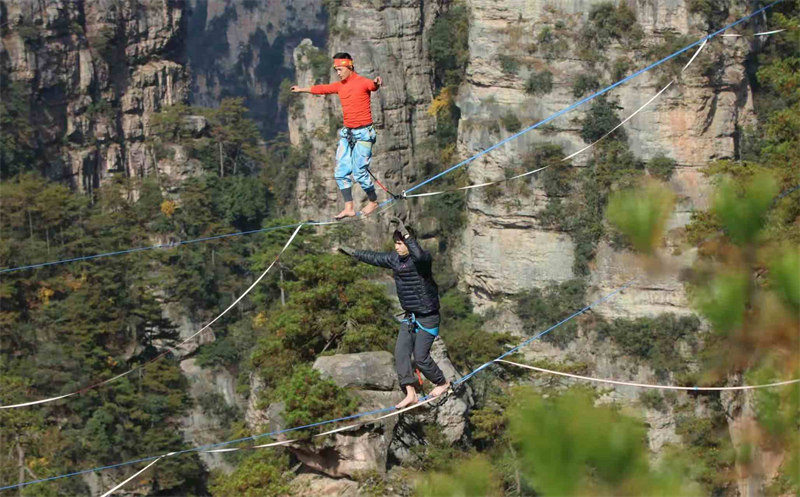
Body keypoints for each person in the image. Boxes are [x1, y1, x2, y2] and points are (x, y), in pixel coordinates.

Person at [338, 217, 451, 409]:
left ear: (409, 242)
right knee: (400, 354)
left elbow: (420, 256)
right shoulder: (394, 260)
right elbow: (374, 258)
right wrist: (353, 253)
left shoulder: (423, 261)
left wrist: (406, 234)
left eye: (400, 243)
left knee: (421, 358)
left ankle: (442, 383)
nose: (397, 247)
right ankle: (411, 393)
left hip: (428, 317)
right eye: (396, 244)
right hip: (410, 317)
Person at [291, 52, 383, 220]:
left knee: (359, 172)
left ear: (350, 67)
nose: (338, 73)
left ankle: (373, 201)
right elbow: (322, 89)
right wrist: (302, 89)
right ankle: (348, 207)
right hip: (348, 133)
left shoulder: (362, 82)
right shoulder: (340, 86)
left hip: (363, 134)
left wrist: (377, 83)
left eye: (340, 69)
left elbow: (373, 86)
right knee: (341, 172)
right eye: (336, 70)